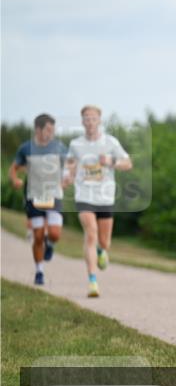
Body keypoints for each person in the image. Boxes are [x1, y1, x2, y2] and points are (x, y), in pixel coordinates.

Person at [62, 105, 132, 298]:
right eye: (86, 118)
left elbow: (128, 163)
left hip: (105, 196)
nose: (90, 122)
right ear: (82, 121)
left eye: (93, 118)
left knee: (104, 241)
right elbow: (70, 166)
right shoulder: (76, 144)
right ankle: (92, 281)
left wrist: (111, 162)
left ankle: (102, 251)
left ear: (99, 121)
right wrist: (67, 177)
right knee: (91, 234)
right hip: (84, 195)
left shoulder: (110, 142)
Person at [8, 113, 67, 285]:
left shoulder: (59, 147)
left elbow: (70, 166)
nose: (51, 133)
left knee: (54, 234)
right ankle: (39, 271)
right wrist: (15, 180)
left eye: (52, 130)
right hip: (33, 196)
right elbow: (14, 168)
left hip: (54, 195)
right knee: (38, 236)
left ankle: (51, 244)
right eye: (48, 130)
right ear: (38, 129)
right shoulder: (26, 148)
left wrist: (67, 178)